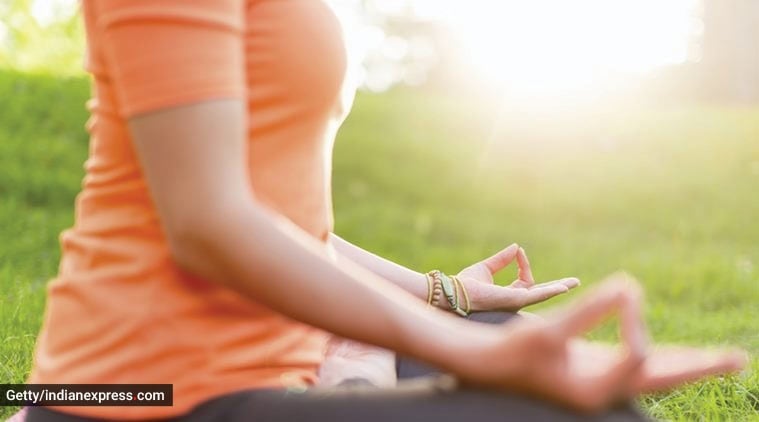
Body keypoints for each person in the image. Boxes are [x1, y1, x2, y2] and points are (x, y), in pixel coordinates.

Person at [24, 0, 746, 420]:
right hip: (143, 391)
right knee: (559, 409)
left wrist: (448, 298)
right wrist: (451, 347)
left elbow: (283, 218)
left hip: (277, 358)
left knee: (517, 338)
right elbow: (209, 222)